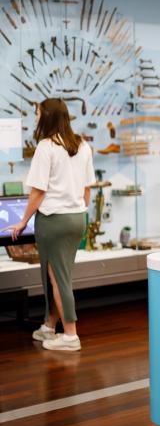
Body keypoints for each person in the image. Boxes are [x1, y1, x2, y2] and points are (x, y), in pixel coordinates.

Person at [4, 98, 96, 352]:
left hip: (53, 221)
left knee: (58, 279)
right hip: (77, 218)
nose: (35, 118)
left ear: (48, 117)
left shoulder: (46, 146)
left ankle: (70, 336)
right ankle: (48, 325)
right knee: (55, 275)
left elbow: (38, 192)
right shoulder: (82, 144)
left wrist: (22, 221)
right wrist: (77, 208)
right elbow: (87, 188)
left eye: (37, 114)